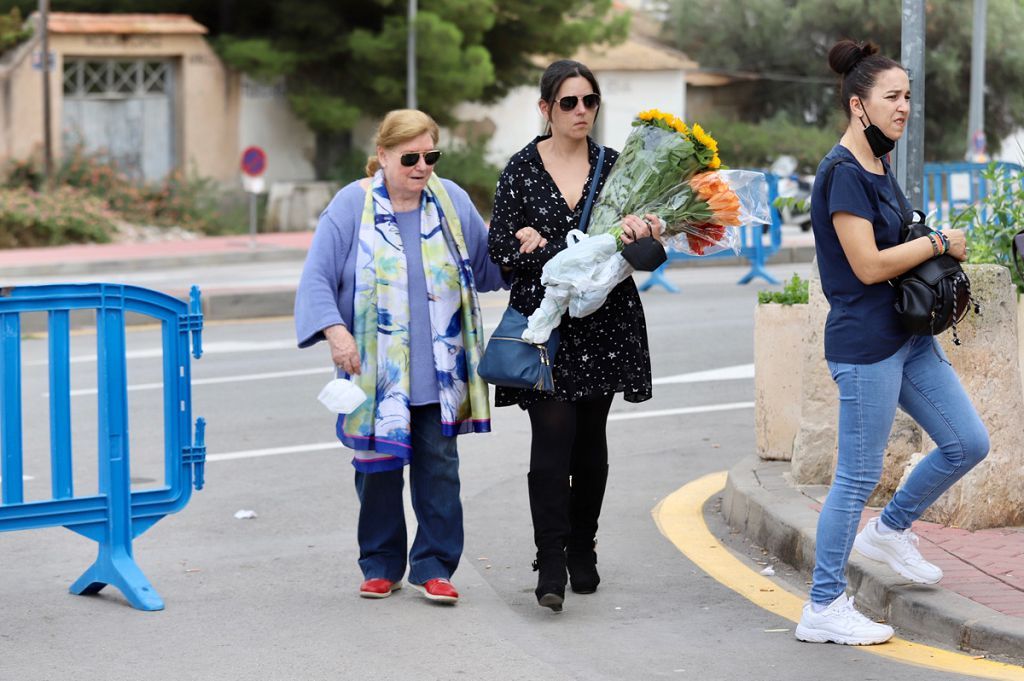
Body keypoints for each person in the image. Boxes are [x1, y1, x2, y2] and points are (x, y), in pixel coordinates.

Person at [796, 40, 989, 645]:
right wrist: (938, 243)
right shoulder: (843, 173)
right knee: (855, 478)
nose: (905, 107)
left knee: (967, 442)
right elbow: (868, 265)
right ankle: (823, 606)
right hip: (866, 346)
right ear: (859, 105)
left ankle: (891, 530)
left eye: (908, 96)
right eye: (893, 97)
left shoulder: (881, 167)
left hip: (909, 339)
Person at [294, 109, 510, 605]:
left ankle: (434, 566)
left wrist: (525, 251)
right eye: (410, 157)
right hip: (374, 368)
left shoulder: (450, 200)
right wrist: (336, 333)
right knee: (378, 469)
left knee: (440, 468)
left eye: (430, 155)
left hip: (440, 369)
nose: (421, 166)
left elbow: (486, 267)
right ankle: (381, 564)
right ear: (384, 156)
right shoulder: (353, 204)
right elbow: (317, 277)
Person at [487, 60, 659, 612]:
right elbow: (499, 251)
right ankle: (552, 559)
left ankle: (583, 546)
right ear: (545, 109)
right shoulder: (520, 170)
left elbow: (649, 257)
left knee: (590, 443)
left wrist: (645, 232)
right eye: (569, 102)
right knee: (552, 438)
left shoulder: (616, 169)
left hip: (605, 321)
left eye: (590, 101)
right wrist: (529, 247)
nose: (581, 111)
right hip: (546, 324)